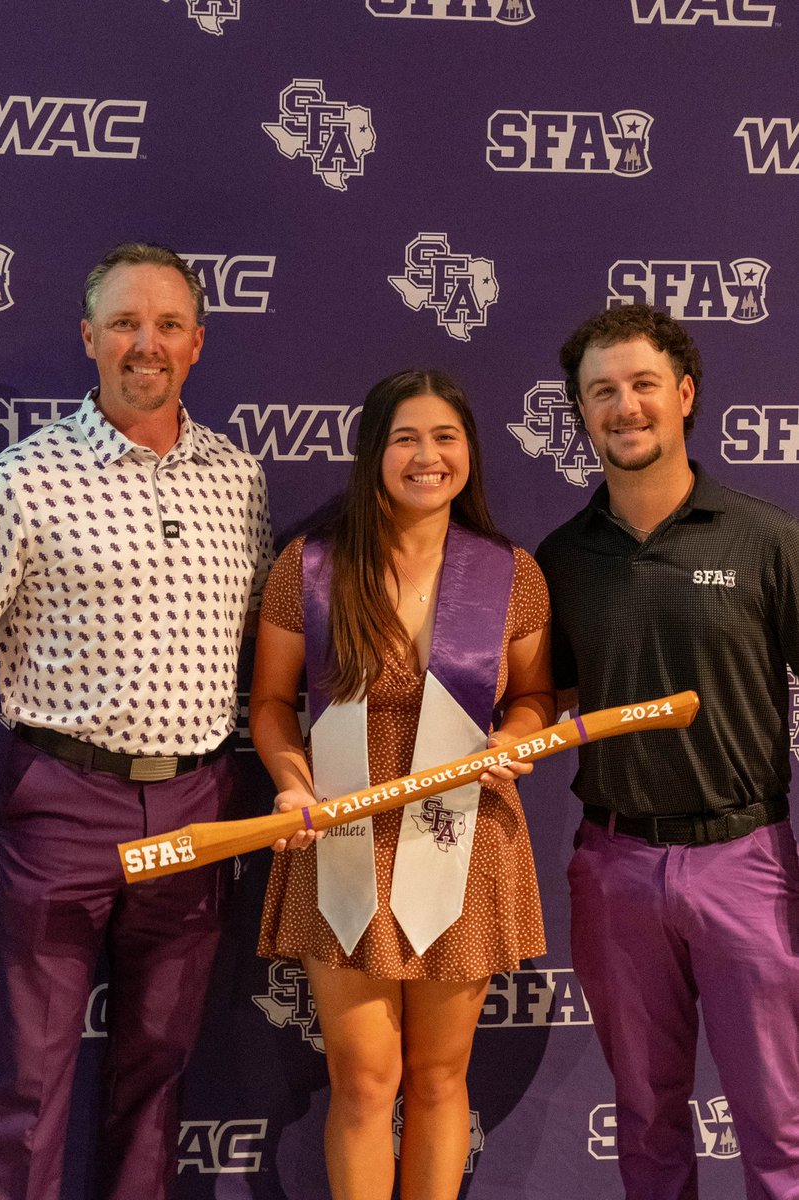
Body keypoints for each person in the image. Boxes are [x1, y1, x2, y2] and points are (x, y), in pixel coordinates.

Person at [0, 242, 273, 1200]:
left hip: (199, 802)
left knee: (158, 1067)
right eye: (123, 323)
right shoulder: (24, 478)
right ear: (87, 338)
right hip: (61, 802)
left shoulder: (239, 482)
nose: (144, 344)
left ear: (197, 343)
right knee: (32, 1080)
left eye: (165, 325)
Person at [250, 369, 554, 1200]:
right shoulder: (309, 568)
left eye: (446, 438)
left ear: (470, 454)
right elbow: (272, 705)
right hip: (342, 831)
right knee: (362, 1081)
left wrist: (517, 737)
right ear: (373, 454)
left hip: (462, 839)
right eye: (406, 439)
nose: (428, 457)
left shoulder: (510, 573)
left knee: (439, 1077)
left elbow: (534, 696)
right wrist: (290, 781)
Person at [535, 303, 799, 1200]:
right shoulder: (560, 558)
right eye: (601, 392)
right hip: (614, 867)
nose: (625, 406)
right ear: (581, 412)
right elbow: (547, 699)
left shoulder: (765, 538)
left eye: (644, 384)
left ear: (684, 394)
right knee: (646, 1122)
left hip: (745, 859)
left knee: (778, 1123)